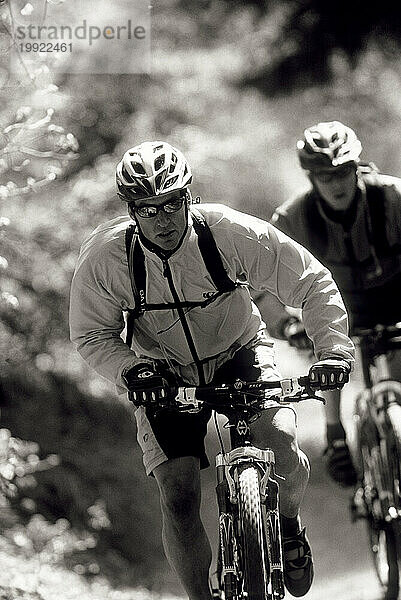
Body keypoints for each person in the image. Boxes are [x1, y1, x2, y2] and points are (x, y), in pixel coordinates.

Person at [69, 140, 354, 600]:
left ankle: (287, 525)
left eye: (171, 205)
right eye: (148, 209)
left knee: (280, 442)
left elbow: (312, 280)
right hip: (161, 373)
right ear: (131, 210)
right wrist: (131, 370)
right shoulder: (107, 259)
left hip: (240, 350)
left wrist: (333, 352)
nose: (162, 220)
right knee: (178, 494)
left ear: (188, 198)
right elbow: (91, 334)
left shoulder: (228, 233)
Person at [264, 120, 401, 487]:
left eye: (343, 172)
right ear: (311, 178)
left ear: (357, 167)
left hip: (395, 296)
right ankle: (335, 434)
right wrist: (288, 325)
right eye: (325, 176)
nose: (337, 184)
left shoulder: (392, 197)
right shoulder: (292, 219)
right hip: (339, 308)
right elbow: (261, 282)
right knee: (327, 345)